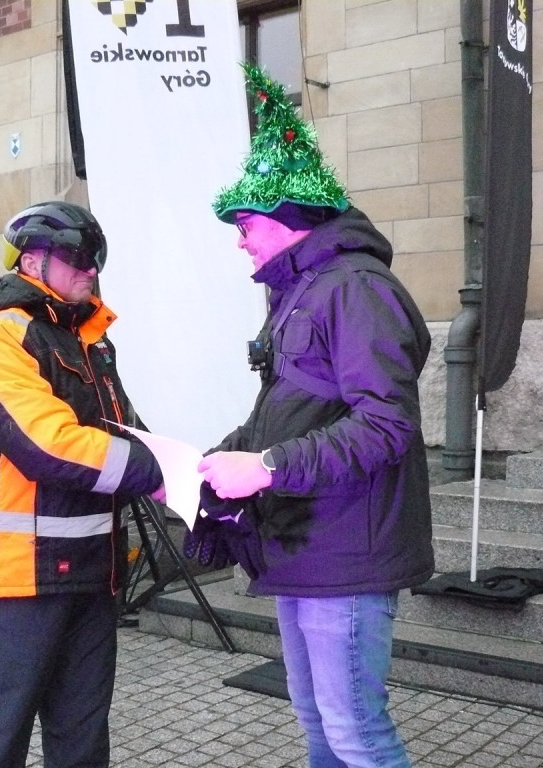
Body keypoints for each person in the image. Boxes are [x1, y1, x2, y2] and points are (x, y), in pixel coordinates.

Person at [188, 63, 434, 768]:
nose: (240, 240)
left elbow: (387, 424)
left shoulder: (355, 288)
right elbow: (288, 410)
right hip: (306, 544)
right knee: (320, 725)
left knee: (357, 732)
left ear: (290, 222)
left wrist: (263, 468)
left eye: (247, 224)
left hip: (347, 550)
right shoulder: (302, 291)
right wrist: (217, 457)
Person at [0, 201, 164, 768]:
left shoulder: (91, 343)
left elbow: (127, 433)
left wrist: (194, 469)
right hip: (17, 582)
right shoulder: (0, 335)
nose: (91, 269)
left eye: (96, 257)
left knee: (83, 747)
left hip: (93, 577)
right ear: (32, 259)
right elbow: (48, 444)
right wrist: (156, 470)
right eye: (77, 256)